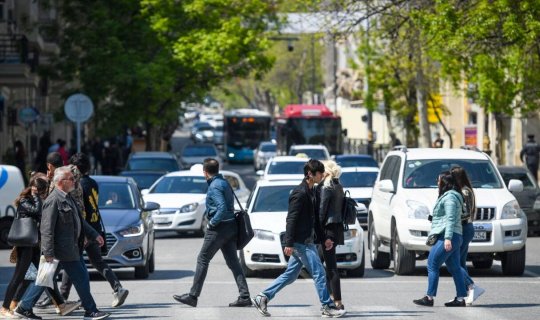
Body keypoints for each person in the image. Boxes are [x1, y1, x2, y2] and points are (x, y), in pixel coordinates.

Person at [252, 159, 346, 318]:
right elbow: (291, 219)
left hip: (306, 240)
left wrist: (324, 239)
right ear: (310, 174)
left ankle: (262, 297)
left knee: (290, 275)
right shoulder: (300, 193)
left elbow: (315, 219)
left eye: (323, 173)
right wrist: (288, 243)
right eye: (319, 173)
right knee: (319, 273)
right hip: (301, 242)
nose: (322, 176)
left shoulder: (311, 191)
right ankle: (327, 306)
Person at [14, 166, 110, 320]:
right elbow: (47, 229)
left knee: (45, 280)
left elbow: (80, 221)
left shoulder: (67, 197)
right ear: (60, 181)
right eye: (71, 179)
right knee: (79, 278)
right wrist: (49, 252)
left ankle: (24, 307)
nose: (74, 181)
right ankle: (91, 311)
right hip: (61, 250)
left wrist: (94, 234)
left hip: (70, 249)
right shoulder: (53, 201)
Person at [173, 158, 251, 308]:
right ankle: (245, 296)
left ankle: (193, 296)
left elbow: (221, 208)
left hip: (219, 229)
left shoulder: (214, 186)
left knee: (203, 259)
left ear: (205, 172)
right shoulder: (224, 182)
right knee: (234, 263)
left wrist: (211, 223)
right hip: (231, 227)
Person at [60, 153, 129, 308]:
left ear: (75, 168)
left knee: (71, 260)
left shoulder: (78, 185)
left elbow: (81, 210)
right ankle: (117, 287)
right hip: (95, 226)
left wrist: (80, 232)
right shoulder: (92, 183)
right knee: (97, 261)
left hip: (84, 228)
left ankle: (62, 296)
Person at [413, 171, 467, 307]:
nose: (437, 183)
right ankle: (460, 299)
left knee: (432, 264)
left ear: (444, 182)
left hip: (448, 236)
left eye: (438, 180)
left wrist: (447, 238)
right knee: (455, 267)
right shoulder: (451, 196)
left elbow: (450, 219)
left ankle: (429, 298)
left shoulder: (450, 198)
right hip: (454, 235)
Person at [0, 173, 49, 318]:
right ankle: (4, 307)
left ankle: (27, 307)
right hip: (25, 244)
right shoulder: (24, 200)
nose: (43, 194)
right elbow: (36, 211)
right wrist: (35, 195)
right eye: (41, 190)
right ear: (35, 188)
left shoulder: (36, 200)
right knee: (18, 277)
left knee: (43, 275)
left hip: (34, 243)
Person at [451, 166, 485, 305]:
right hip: (467, 227)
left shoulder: (464, 191)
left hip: (464, 227)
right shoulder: (467, 189)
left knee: (455, 262)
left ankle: (471, 287)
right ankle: (465, 293)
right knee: (461, 262)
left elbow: (465, 213)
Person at [316, 160, 346, 310]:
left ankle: (336, 301)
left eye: (322, 171)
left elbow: (322, 212)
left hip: (327, 231)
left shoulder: (326, 188)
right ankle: (333, 298)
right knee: (323, 265)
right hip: (335, 230)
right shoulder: (338, 186)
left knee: (329, 267)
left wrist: (317, 230)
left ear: (326, 172)